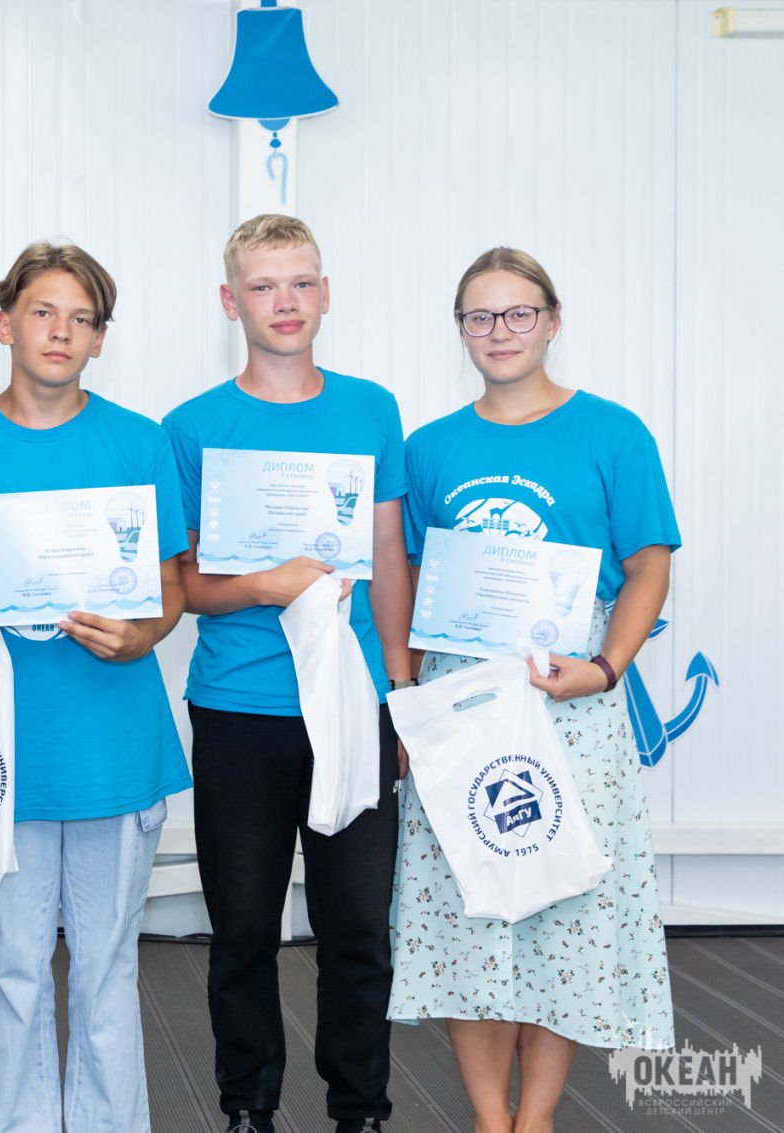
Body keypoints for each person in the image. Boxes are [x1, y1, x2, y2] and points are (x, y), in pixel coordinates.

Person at [389, 247, 677, 1133]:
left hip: (572, 701)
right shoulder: (429, 448)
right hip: (462, 704)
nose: (500, 331)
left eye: (519, 312)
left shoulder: (614, 433)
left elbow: (647, 566)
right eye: (480, 315)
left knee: (564, 913)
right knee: (467, 910)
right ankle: (489, 1117)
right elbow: (408, 580)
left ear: (552, 321)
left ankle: (538, 1117)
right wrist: (408, 703)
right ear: (460, 331)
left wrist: (606, 667)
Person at [0, 241, 192, 1131]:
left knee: (109, 968)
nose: (61, 331)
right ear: (6, 324)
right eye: (43, 312)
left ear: (100, 339)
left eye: (82, 319)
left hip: (115, 747)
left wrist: (143, 632)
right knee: (13, 971)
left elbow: (170, 583)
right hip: (7, 753)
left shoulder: (140, 441)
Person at [162, 214, 411, 1133]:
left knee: (359, 927)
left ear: (326, 294)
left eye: (301, 282)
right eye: (264, 286)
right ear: (231, 302)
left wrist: (401, 694)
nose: (285, 301)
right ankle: (248, 1106)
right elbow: (185, 586)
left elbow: (389, 559)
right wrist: (262, 585)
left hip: (353, 703)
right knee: (242, 928)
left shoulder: (371, 409)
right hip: (240, 705)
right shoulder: (190, 427)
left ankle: (362, 1109)